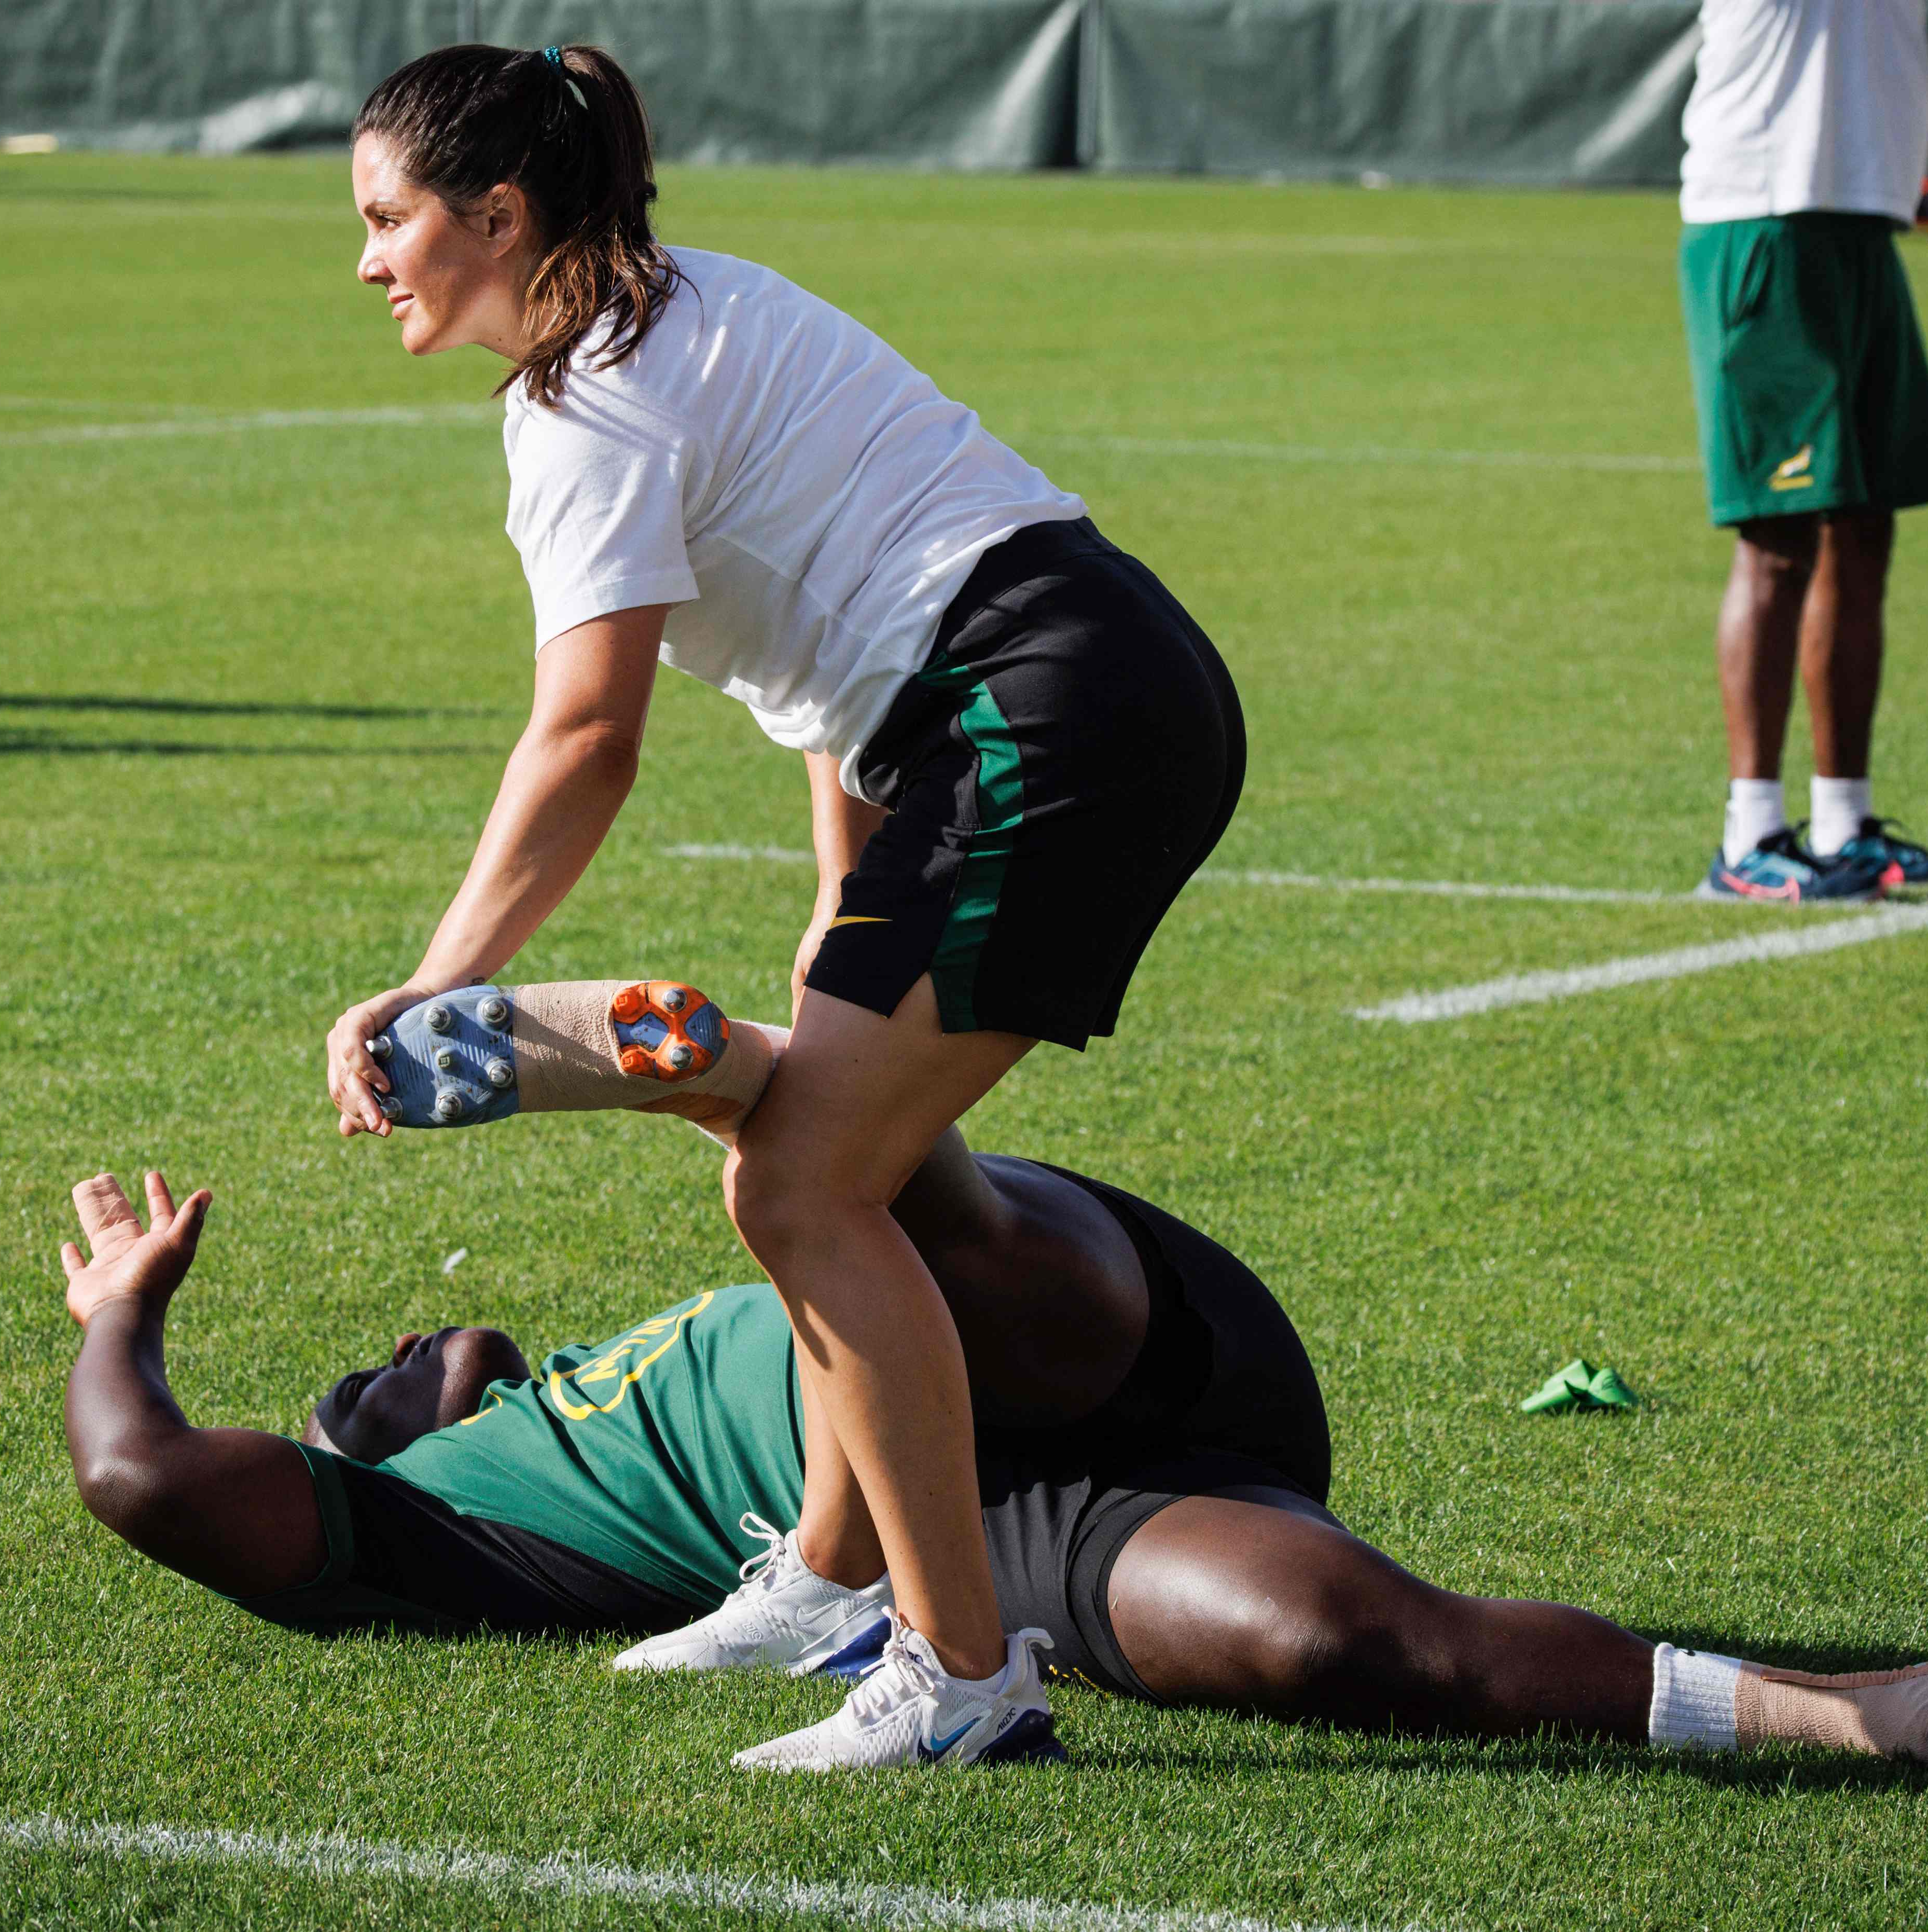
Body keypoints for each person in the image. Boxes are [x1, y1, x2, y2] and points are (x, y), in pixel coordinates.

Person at [320, 45, 1244, 1767]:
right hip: (1081, 678)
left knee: (799, 1179)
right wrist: (839, 917)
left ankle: (960, 1675)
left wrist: (430, 986)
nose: (367, 258)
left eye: (387, 218)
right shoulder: (694, 306)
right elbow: (854, 644)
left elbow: (585, 741)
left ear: (497, 216)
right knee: (837, 1158)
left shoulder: (583, 404)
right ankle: (829, 1579)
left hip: (1034, 720)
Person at [56, 1145, 1928, 1780]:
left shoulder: (615, 1356)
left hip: (1040, 1311)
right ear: (387, 1446)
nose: (422, 1346)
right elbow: (148, 1480)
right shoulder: (455, 1521)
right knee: (1320, 1638)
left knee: (876, 1204)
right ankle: (1866, 1717)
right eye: (387, 1375)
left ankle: (825, 1064)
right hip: (1008, 1534)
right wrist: (117, 1328)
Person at [1675, 0, 1928, 904]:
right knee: (1778, 538)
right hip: (1764, 214)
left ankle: (1845, 822)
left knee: (1864, 526)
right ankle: (1749, 835)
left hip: (1863, 216)